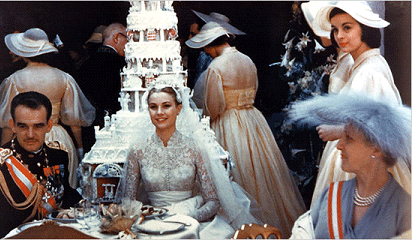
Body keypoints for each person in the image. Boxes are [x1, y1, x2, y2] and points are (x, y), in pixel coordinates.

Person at [185, 22, 306, 238]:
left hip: (228, 121)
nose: (205, 51)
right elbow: (255, 89)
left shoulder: (215, 67)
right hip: (252, 119)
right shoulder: (247, 60)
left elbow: (212, 107)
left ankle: (246, 231)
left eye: (205, 46)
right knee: (262, 173)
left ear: (212, 46)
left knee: (236, 176)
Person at [123, 86, 261, 239]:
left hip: (192, 221)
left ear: (179, 109)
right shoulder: (137, 150)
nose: (159, 112)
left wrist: (190, 219)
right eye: (153, 107)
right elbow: (128, 200)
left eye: (166, 106)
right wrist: (146, 216)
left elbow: (213, 201)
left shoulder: (194, 147)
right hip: (152, 223)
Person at [309, 1, 410, 204]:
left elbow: (384, 125)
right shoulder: (363, 65)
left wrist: (339, 131)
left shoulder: (370, 71)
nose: (339, 36)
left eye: (347, 27)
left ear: (364, 27)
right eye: (335, 30)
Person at [0, 28, 95, 188]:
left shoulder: (14, 80)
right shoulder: (64, 78)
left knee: (29, 196)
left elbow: (8, 124)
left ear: (24, 52)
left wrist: (2, 153)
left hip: (26, 139)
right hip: (60, 140)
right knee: (62, 197)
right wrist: (79, 149)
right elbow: (74, 120)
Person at [289, 93, 411, 239]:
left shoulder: (404, 208)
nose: (339, 145)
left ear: (377, 149)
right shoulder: (331, 194)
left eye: (349, 138)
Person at [0, 91, 83, 239]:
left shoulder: (58, 156)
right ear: (12, 126)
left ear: (49, 125)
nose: (30, 134)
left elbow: (64, 194)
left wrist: (87, 205)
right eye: (23, 126)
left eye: (38, 126)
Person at [77, 23, 127, 152]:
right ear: (116, 38)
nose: (129, 44)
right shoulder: (122, 65)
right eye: (127, 38)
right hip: (116, 130)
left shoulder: (84, 64)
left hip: (90, 129)